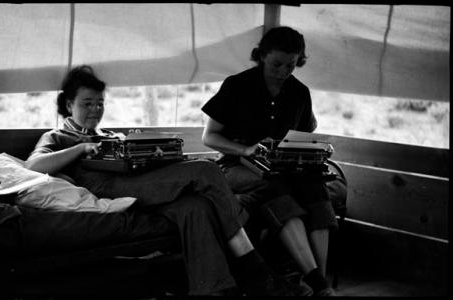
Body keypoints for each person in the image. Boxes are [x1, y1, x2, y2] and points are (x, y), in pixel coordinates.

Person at [25, 65, 312, 296]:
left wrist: (141, 149)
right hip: (105, 187)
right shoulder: (57, 137)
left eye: (99, 103)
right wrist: (79, 148)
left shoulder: (110, 136)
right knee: (205, 170)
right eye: (86, 103)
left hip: (137, 185)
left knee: (196, 205)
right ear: (68, 104)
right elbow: (33, 165)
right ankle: (255, 269)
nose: (94, 110)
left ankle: (215, 289)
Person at [201, 26, 338, 296]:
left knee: (315, 190)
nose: (283, 72)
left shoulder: (300, 93)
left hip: (284, 168)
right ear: (262, 56)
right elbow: (209, 137)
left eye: (291, 65)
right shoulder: (237, 85)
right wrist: (247, 149)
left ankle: (319, 281)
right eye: (277, 64)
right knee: (275, 188)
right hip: (234, 164)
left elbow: (304, 134)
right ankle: (318, 282)